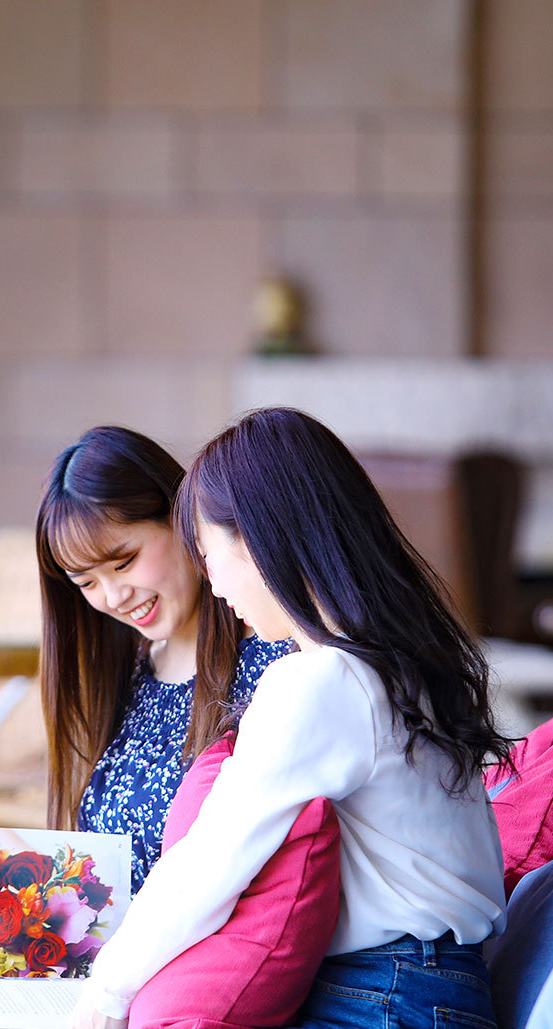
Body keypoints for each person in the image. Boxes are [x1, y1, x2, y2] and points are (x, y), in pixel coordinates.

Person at [72, 407, 508, 1029]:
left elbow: (209, 866)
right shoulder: (394, 661)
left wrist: (102, 999)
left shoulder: (322, 684)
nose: (214, 586)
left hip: (385, 998)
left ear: (254, 540)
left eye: (207, 551)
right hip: (429, 988)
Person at [0, 426, 292, 1029]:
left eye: (124, 560)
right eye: (86, 582)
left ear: (185, 520)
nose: (114, 595)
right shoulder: (129, 671)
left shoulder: (270, 670)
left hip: (170, 986)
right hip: (89, 976)